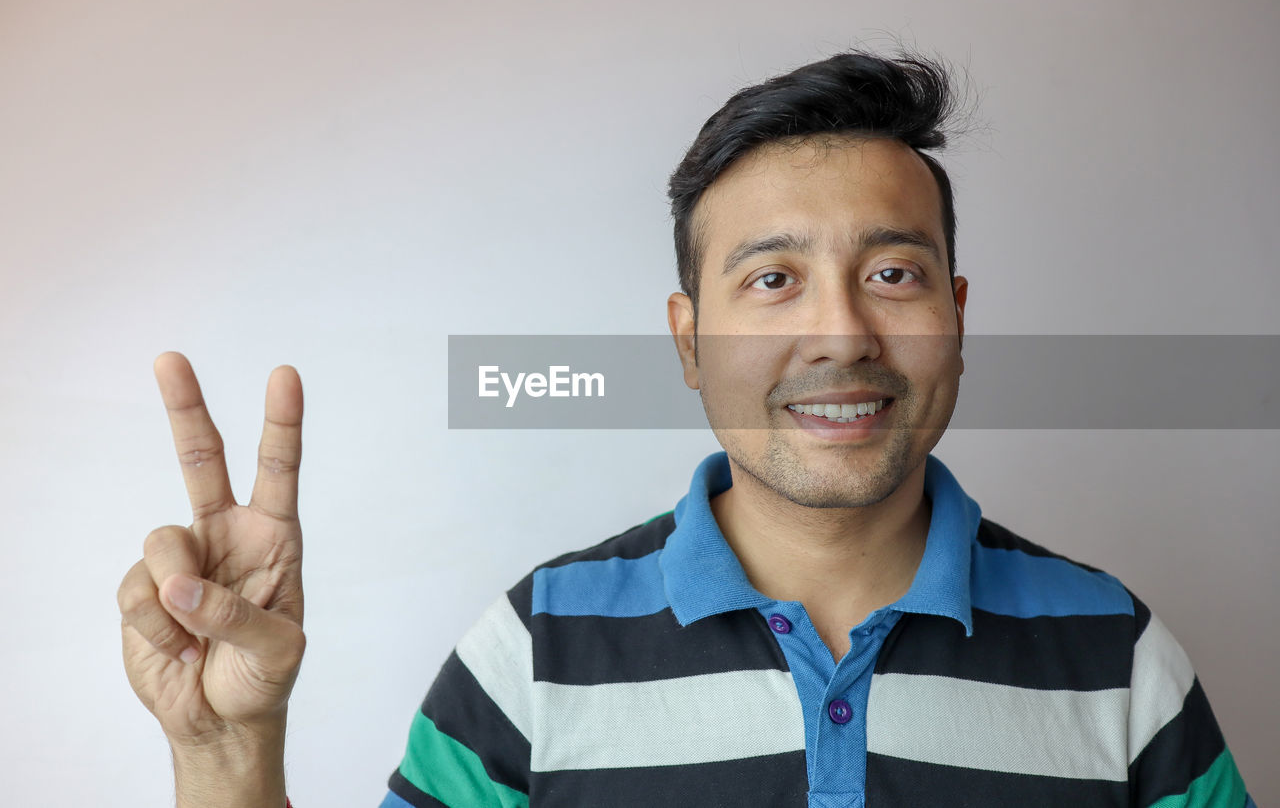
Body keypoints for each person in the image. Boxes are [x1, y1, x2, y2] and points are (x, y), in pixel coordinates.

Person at [118, 51, 1254, 808]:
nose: (840, 332)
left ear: (954, 317)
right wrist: (223, 750)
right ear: (686, 336)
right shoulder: (535, 652)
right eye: (771, 280)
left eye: (893, 272)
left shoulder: (1119, 658)